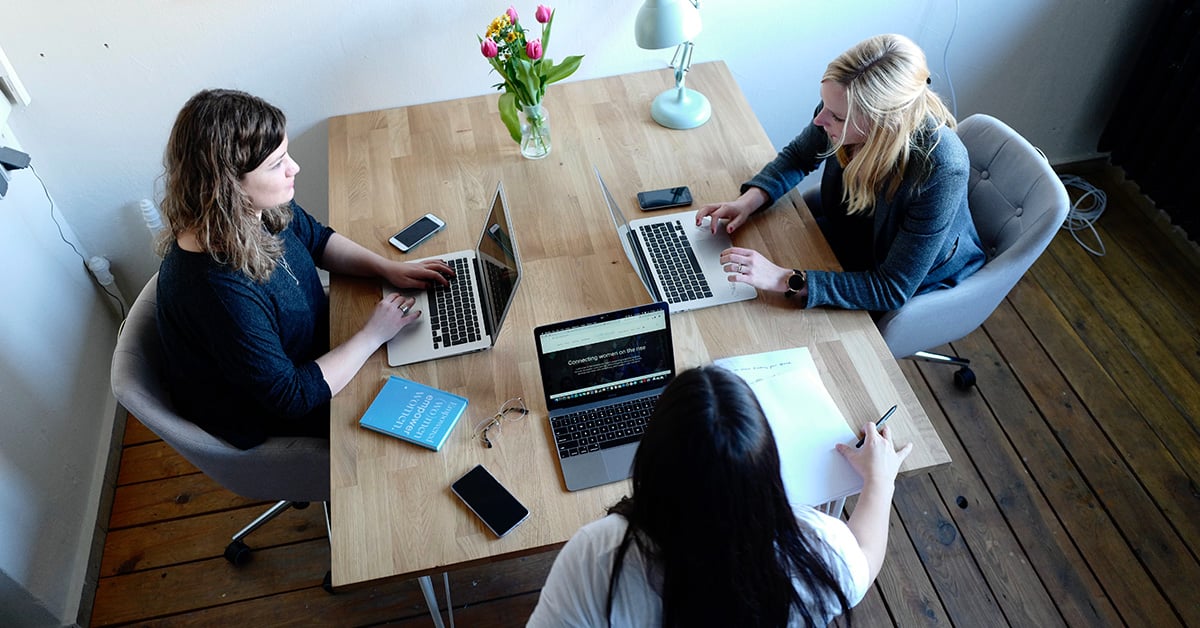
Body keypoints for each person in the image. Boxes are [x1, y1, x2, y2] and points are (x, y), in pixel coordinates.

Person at [155, 88, 453, 449]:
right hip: (279, 409)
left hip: (319, 344)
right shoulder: (218, 292)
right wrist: (373, 335)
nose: (293, 168)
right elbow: (289, 396)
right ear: (228, 185)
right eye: (276, 164)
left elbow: (316, 240)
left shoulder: (247, 212)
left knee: (436, 352)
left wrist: (386, 268)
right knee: (440, 396)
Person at [527, 366, 913, 627]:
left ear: (650, 463)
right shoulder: (815, 552)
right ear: (765, 471)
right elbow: (865, 554)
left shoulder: (598, 558)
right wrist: (881, 481)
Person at [697, 34, 986, 312]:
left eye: (836, 116)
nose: (820, 119)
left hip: (902, 276)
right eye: (825, 105)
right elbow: (799, 156)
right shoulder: (840, 105)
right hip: (850, 232)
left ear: (884, 122)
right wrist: (747, 202)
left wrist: (782, 278)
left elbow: (892, 287)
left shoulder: (941, 169)